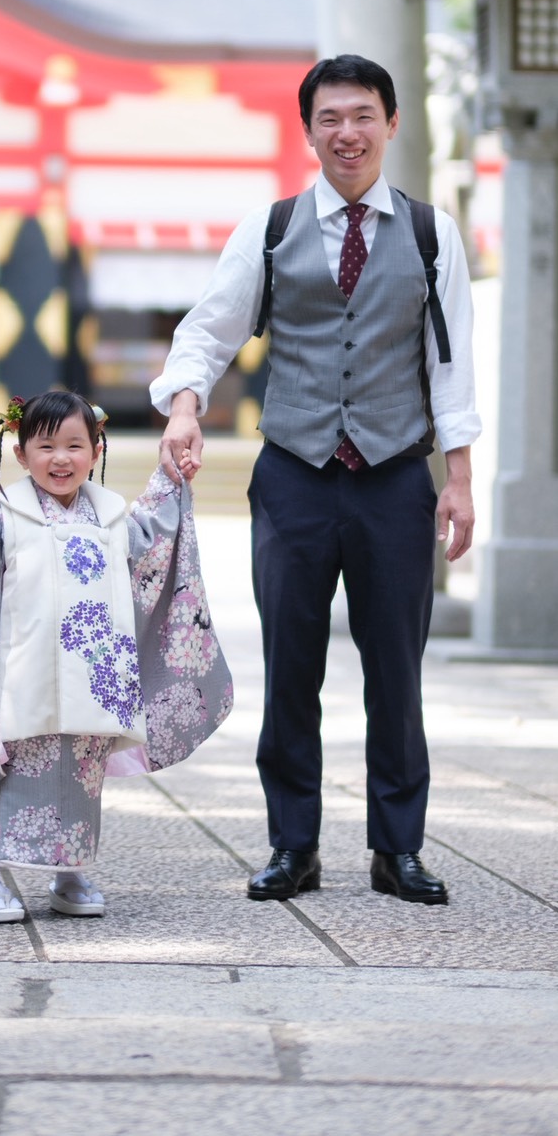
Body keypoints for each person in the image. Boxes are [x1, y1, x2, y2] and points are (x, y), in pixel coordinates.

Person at [151, 54, 479, 907]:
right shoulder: (268, 230)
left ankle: (397, 849)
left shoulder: (431, 234)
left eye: (362, 115)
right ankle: (291, 845)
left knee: (395, 672)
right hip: (293, 476)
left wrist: (458, 478)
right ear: (307, 131)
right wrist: (184, 407)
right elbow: (209, 330)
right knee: (291, 667)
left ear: (391, 123)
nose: (347, 132)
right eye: (329, 118)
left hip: (394, 479)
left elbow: (450, 366)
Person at [0, 391, 233, 922]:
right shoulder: (8, 518)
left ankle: (70, 872)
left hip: (96, 676)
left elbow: (158, 541)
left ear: (96, 450)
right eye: (45, 446)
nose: (60, 458)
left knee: (82, 774)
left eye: (74, 445)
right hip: (27, 672)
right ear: (21, 454)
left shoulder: (113, 519)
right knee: (14, 772)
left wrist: (172, 476)